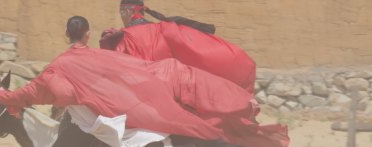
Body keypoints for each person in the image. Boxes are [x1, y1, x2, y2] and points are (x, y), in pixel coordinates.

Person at [0, 16, 288, 147]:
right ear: (87, 34)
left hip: (94, 122)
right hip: (119, 112)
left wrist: (5, 97)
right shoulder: (104, 55)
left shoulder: (61, 65)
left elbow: (38, 91)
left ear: (66, 35)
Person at [101, 0, 256, 94]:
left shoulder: (127, 38)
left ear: (128, 11)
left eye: (121, 12)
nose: (121, 17)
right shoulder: (163, 30)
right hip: (172, 93)